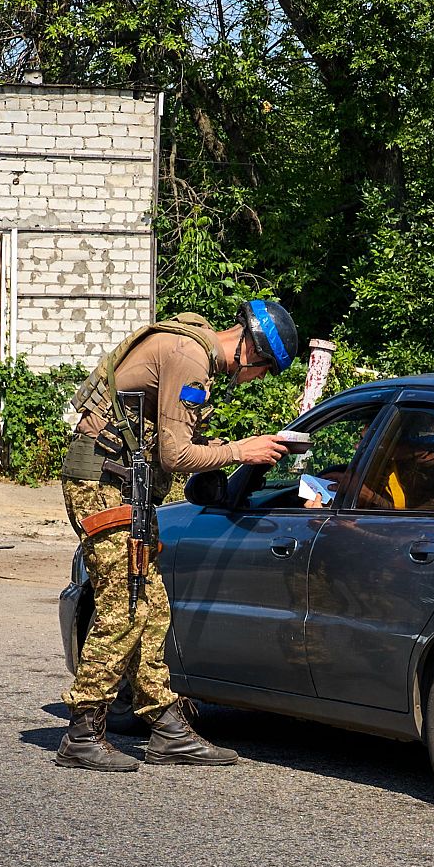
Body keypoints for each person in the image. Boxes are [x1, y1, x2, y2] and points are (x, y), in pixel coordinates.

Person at [53, 299, 299, 771]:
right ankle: (83, 729)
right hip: (101, 484)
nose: (259, 379)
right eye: (264, 369)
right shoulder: (190, 359)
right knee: (125, 604)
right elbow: (174, 454)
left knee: (152, 606)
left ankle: (165, 726)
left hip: (124, 484)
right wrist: (240, 451)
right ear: (250, 350)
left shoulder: (193, 351)